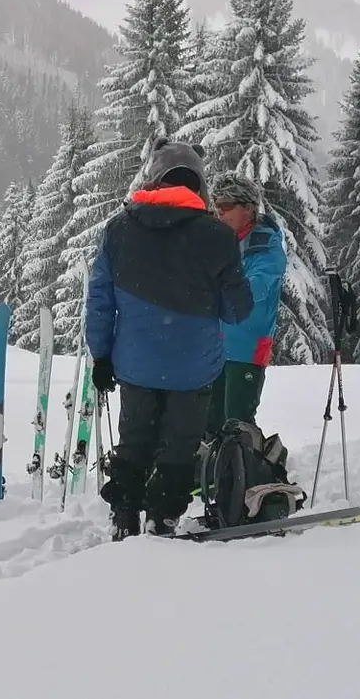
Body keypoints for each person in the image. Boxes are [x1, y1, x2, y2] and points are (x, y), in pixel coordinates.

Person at [86, 140, 253, 539]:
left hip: (135, 365)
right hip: (192, 369)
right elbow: (237, 310)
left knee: (134, 441)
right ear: (198, 184)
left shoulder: (120, 229)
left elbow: (99, 300)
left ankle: (124, 513)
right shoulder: (216, 236)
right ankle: (162, 518)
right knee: (179, 448)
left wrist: (101, 356)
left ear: (154, 178)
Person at [205, 173, 286, 438]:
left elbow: (254, 289)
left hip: (246, 350)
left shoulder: (265, 246)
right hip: (214, 348)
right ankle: (210, 475)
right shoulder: (221, 241)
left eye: (226, 206)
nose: (219, 212)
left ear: (248, 207)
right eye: (216, 205)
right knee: (208, 422)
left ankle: (243, 473)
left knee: (237, 422)